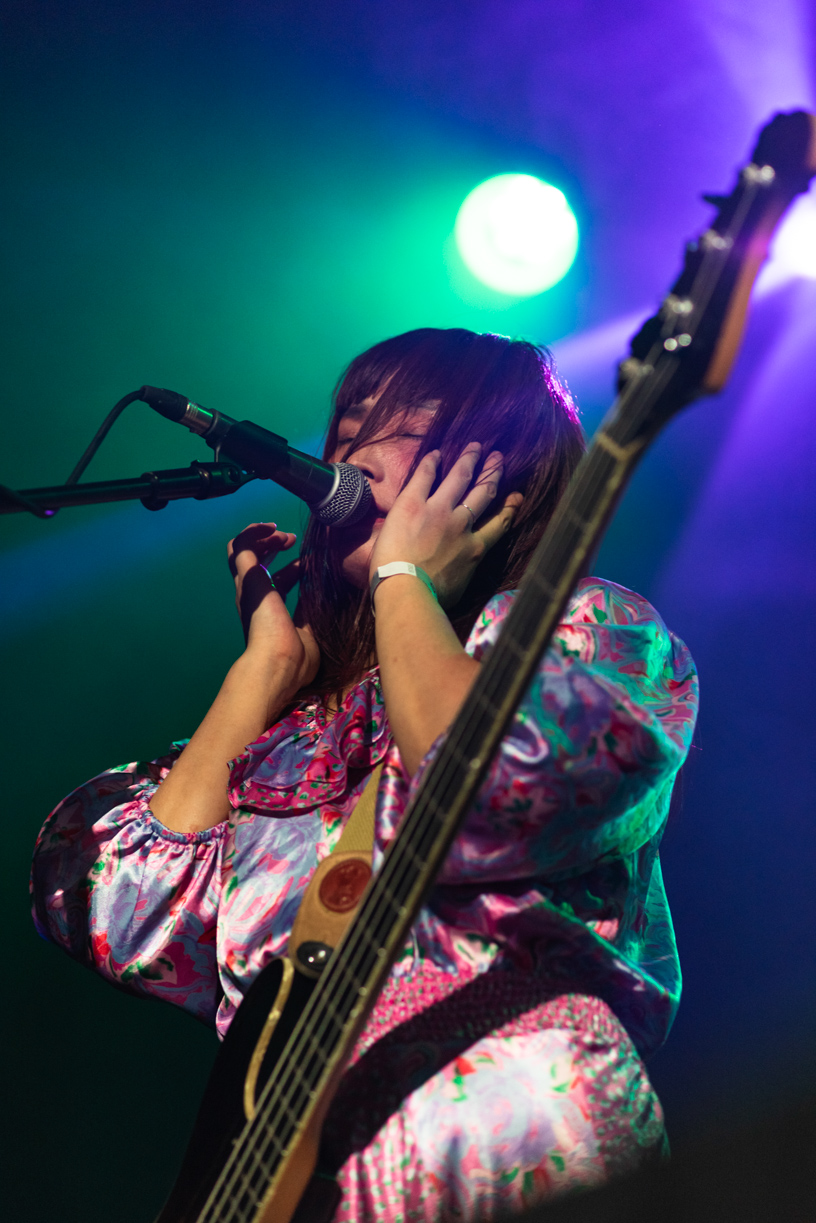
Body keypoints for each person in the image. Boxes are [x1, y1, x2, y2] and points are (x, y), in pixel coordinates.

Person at [31, 327, 698, 1221]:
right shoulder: (303, 739)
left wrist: (403, 577)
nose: (349, 454)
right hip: (302, 1178)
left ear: (503, 471)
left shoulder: (584, 635)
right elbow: (127, 917)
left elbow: (491, 786)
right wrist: (263, 673)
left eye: (401, 425)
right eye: (346, 429)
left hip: (498, 1132)